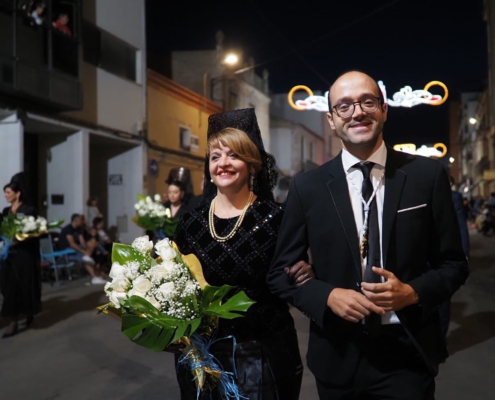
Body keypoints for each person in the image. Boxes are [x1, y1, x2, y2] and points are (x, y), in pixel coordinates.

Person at [268, 71, 469, 400]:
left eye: (367, 102)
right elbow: (280, 272)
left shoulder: (426, 176)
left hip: (406, 354)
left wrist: (412, 292)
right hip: (337, 353)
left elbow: (454, 264)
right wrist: (328, 296)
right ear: (331, 120)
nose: (357, 112)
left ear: (384, 109)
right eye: (344, 106)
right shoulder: (308, 187)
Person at [173, 109, 312, 399]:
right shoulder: (190, 222)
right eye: (215, 157)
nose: (223, 163)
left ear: (252, 165)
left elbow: (293, 275)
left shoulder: (276, 217)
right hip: (203, 355)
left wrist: (306, 273)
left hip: (262, 354)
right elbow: (176, 283)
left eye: (233, 155)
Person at [1, 181, 42, 338]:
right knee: (7, 286)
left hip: (24, 254)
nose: (6, 195)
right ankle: (20, 314)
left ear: (17, 193)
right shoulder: (6, 211)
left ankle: (14, 321)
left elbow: (31, 231)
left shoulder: (28, 210)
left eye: (9, 192)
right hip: (8, 254)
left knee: (22, 285)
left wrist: (17, 238)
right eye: (5, 193)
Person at [57, 214, 106, 284]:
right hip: (67, 251)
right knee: (85, 258)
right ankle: (94, 277)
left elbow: (82, 242)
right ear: (76, 221)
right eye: (80, 220)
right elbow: (72, 244)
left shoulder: (78, 229)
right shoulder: (68, 229)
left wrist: (87, 249)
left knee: (91, 244)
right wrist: (83, 251)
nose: (82, 221)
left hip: (76, 249)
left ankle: (91, 259)